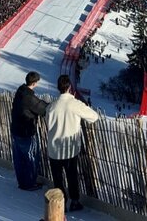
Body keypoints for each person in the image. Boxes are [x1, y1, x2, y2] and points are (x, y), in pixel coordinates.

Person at [47, 74, 98, 212]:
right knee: (72, 176)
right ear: (69, 87)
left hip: (54, 148)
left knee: (57, 179)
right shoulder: (74, 104)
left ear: (58, 88)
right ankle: (75, 201)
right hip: (69, 149)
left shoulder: (51, 106)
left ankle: (60, 204)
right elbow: (94, 117)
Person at [11, 70, 48, 191]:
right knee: (30, 157)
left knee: (19, 158)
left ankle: (22, 181)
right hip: (26, 131)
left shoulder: (20, 91)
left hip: (16, 129)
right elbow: (42, 108)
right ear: (35, 82)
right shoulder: (29, 97)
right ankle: (29, 183)